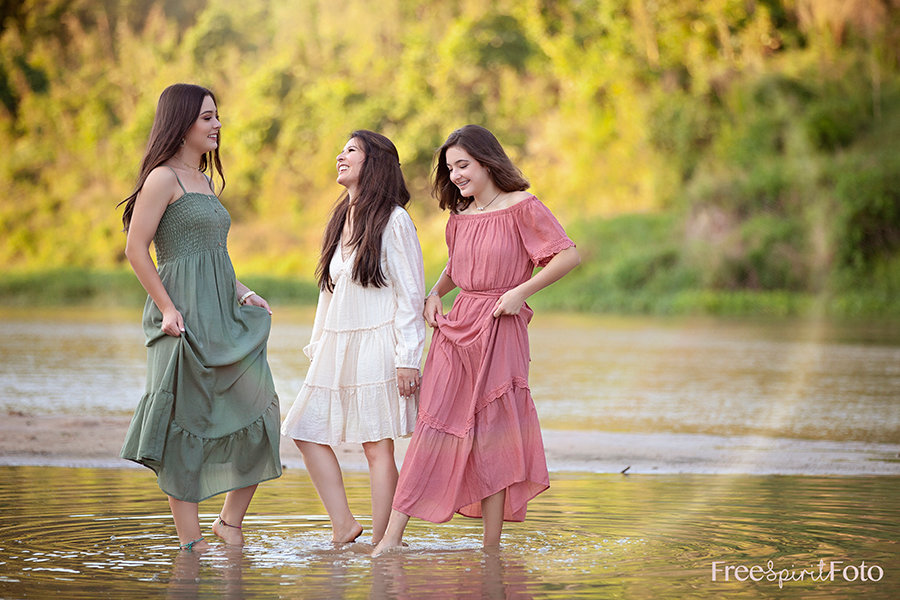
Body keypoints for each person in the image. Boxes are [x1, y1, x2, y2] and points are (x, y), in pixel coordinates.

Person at [372, 125, 580, 556]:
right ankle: (391, 539)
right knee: (434, 422)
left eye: (463, 165)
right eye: (450, 169)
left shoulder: (523, 206)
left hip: (502, 326)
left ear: (487, 161)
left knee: (495, 430)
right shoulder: (460, 218)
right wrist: (434, 293)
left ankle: (491, 549)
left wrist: (519, 293)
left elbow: (566, 255)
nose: (456, 176)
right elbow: (457, 264)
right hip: (456, 327)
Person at [118, 83, 282, 553]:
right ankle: (190, 544)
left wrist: (244, 291)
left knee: (263, 409)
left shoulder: (205, 181)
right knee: (183, 425)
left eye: (217, 116)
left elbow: (212, 255)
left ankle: (228, 523)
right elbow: (136, 249)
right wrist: (168, 308)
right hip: (181, 320)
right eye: (208, 117)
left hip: (223, 313)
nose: (217, 125)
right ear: (183, 122)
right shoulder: (162, 178)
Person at [281, 130, 425, 545]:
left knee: (376, 448)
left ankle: (385, 542)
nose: (339, 156)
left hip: (379, 345)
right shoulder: (340, 217)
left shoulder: (394, 220)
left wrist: (408, 357)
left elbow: (410, 294)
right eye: (340, 148)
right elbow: (329, 294)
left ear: (374, 162)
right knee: (304, 429)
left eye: (350, 151)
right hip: (337, 343)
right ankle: (344, 525)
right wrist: (318, 346)